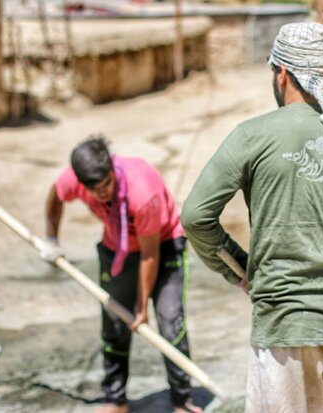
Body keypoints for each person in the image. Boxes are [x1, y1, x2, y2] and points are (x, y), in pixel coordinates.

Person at [181, 21, 323, 413]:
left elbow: (195, 216)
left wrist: (240, 269)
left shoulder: (252, 135)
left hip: (286, 327)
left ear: (282, 73)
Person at [42, 136, 203, 413]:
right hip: (117, 247)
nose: (103, 192)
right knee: (115, 322)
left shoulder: (142, 192)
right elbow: (55, 197)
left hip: (163, 246)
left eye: (107, 184)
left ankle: (182, 401)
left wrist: (141, 308)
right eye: (96, 189)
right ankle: (116, 399)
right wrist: (51, 240)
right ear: (81, 184)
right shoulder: (73, 180)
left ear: (111, 168)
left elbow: (150, 255)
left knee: (169, 322)